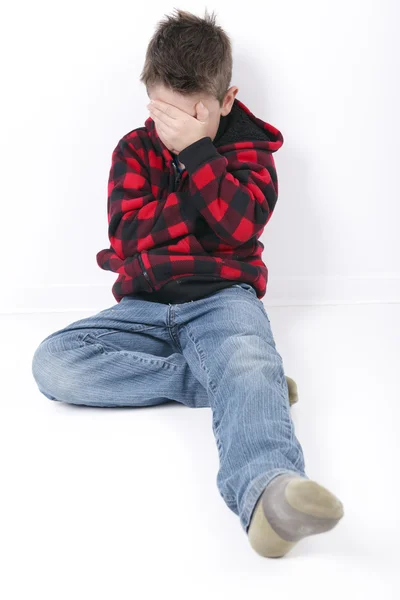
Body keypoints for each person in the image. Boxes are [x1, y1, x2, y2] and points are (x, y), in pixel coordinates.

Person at [31, 8, 344, 557]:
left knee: (247, 356)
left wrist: (199, 154)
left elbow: (241, 225)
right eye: (161, 111)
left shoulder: (250, 151)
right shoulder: (134, 148)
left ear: (225, 100)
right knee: (54, 362)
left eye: (191, 114)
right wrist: (205, 200)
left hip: (223, 299)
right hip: (144, 304)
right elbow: (129, 237)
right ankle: (223, 385)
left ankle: (270, 494)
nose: (171, 127)